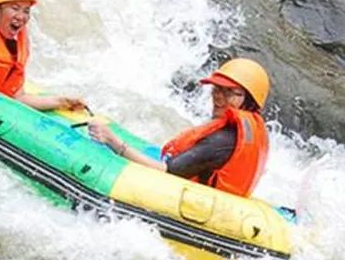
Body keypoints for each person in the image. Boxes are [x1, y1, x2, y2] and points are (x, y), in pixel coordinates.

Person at [89, 58, 270, 198]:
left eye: (230, 93)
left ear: (249, 101)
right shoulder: (247, 132)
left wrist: (112, 141)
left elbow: (166, 172)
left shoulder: (222, 141)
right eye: (217, 89)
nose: (219, 97)